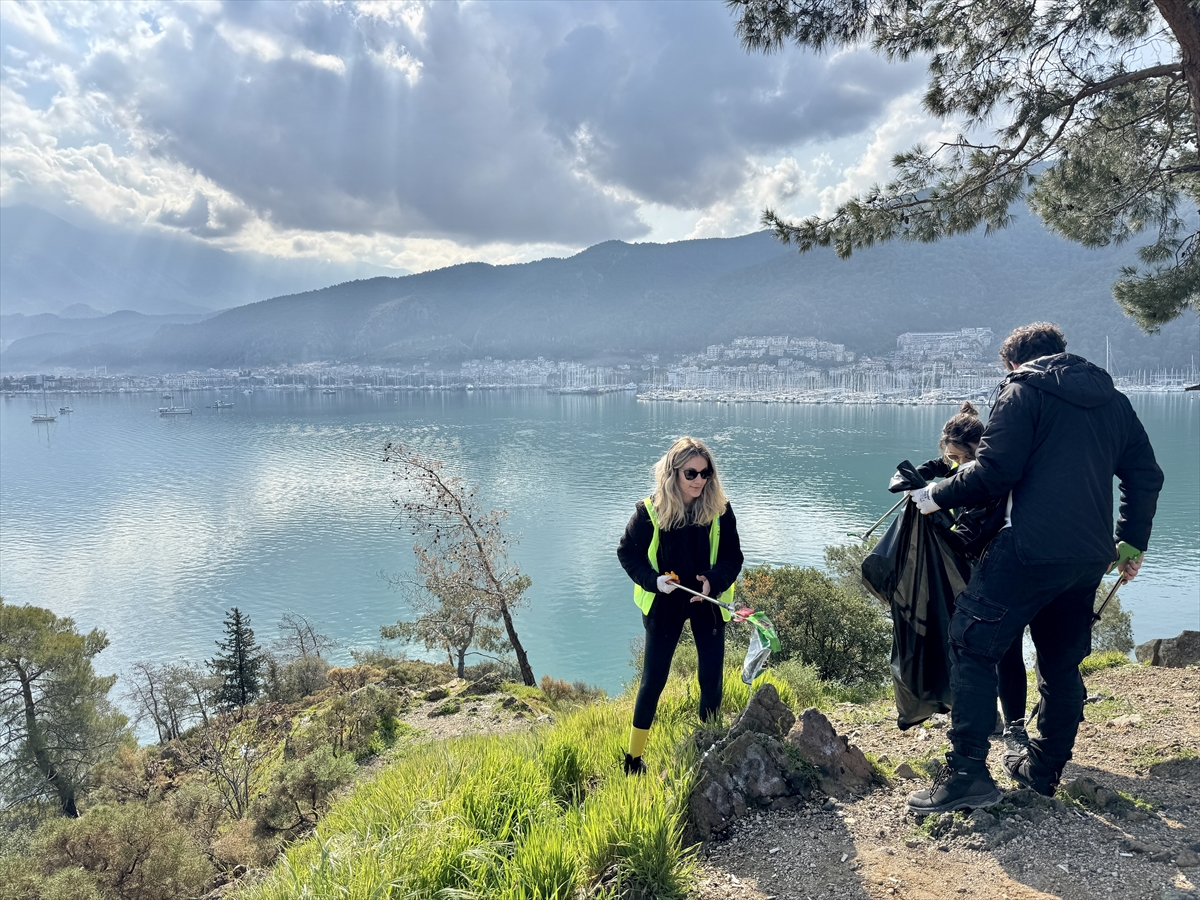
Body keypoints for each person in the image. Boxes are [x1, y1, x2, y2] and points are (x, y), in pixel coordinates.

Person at [905, 323, 1162, 814]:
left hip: (1026, 548)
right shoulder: (1115, 401)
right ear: (1061, 352)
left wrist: (934, 495)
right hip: (1088, 556)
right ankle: (1043, 769)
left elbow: (996, 470)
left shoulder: (1022, 391)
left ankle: (966, 775)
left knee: (971, 643)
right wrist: (1130, 544)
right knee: (1060, 661)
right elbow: (1146, 476)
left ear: (1013, 362)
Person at [617, 436, 745, 775]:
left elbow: (734, 556)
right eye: (691, 473)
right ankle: (632, 759)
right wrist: (654, 581)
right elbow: (627, 553)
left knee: (711, 678)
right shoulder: (649, 512)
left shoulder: (719, 509)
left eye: (706, 473)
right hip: (665, 605)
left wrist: (712, 581)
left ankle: (709, 748)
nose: (700, 481)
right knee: (653, 680)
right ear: (673, 473)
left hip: (707, 603)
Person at [917, 403, 1029, 751]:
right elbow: (947, 466)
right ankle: (990, 718)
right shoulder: (964, 464)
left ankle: (1015, 727)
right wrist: (922, 472)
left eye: (960, 458)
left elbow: (967, 537)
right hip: (977, 568)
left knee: (1005, 649)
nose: (955, 466)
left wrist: (931, 512)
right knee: (970, 647)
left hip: (1003, 567)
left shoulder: (991, 483)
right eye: (950, 457)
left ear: (979, 453)